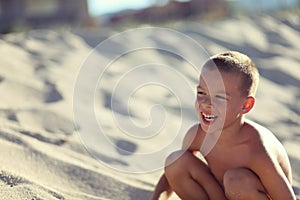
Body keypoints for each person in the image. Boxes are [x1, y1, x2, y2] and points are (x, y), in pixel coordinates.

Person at [150, 51, 296, 200]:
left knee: (236, 180)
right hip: (222, 195)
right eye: (201, 93)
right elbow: (170, 176)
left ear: (246, 105)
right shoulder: (198, 136)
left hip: (247, 191)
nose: (206, 103)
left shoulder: (256, 149)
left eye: (220, 97)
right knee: (177, 161)